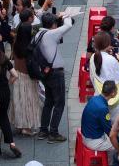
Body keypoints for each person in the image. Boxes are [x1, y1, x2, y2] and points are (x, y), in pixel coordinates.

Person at [37, 11, 74, 142]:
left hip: (45, 71)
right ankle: (53, 132)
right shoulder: (50, 34)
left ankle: (43, 130)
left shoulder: (39, 34)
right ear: (53, 24)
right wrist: (66, 15)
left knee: (49, 101)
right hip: (55, 73)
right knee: (59, 103)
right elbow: (68, 26)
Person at [10, 18, 41, 135]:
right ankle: (26, 127)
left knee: (19, 101)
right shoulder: (30, 47)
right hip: (28, 77)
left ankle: (20, 125)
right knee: (29, 102)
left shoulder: (16, 43)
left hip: (17, 75)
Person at [89, 31, 119, 120]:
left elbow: (92, 76)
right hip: (113, 96)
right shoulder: (111, 59)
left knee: (101, 121)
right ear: (108, 44)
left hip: (99, 94)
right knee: (115, 122)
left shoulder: (93, 57)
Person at [81, 80, 118, 157]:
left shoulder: (94, 98)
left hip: (87, 134)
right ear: (113, 93)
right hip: (93, 141)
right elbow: (109, 131)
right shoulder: (103, 108)